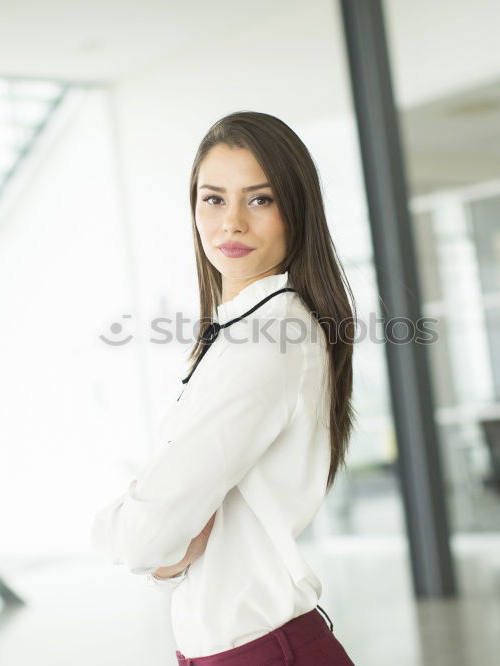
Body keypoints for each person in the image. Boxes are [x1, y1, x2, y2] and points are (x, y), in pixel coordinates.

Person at [91, 111, 357, 665]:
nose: (231, 222)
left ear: (295, 212)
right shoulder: (243, 328)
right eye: (214, 199)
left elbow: (144, 535)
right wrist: (164, 543)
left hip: (263, 651)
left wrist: (123, 530)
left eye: (259, 200)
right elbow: (168, 537)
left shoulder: (268, 339)